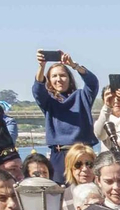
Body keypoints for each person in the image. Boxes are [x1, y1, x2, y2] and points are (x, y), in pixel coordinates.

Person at [32, 51, 99, 182]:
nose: (59, 79)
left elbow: (93, 83)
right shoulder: (48, 101)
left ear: (69, 78)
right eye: (54, 76)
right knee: (60, 194)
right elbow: (37, 90)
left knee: (86, 190)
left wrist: (74, 65)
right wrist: (42, 66)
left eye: (62, 75)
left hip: (82, 152)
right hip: (59, 154)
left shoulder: (82, 96)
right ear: (49, 80)